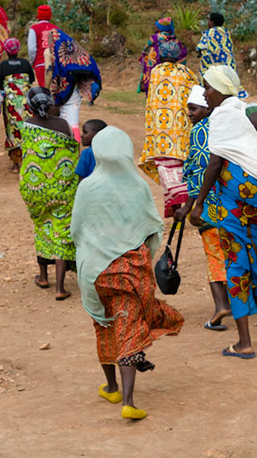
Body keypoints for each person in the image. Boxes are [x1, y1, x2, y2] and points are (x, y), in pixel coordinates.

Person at [71, 126, 184, 422]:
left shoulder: (87, 188)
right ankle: (129, 400)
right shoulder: (138, 186)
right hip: (130, 270)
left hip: (96, 271)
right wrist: (142, 254)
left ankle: (111, 387)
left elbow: (77, 230)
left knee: (104, 324)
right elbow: (152, 227)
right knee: (129, 327)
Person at [184, 65, 257, 359]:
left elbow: (214, 164)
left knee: (236, 270)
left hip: (236, 209)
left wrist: (198, 204)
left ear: (221, 89)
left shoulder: (223, 117)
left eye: (207, 87)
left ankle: (244, 342)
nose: (205, 93)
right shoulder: (249, 116)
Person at [16, 86, 80, 300]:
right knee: (61, 232)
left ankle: (43, 276)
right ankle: (60, 288)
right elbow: (72, 150)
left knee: (42, 226)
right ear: (51, 104)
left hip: (35, 187)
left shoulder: (26, 124)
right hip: (62, 187)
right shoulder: (62, 125)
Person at [177, 86, 232, 332]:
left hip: (210, 204)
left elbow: (200, 173)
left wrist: (191, 205)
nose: (189, 113)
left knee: (214, 256)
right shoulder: (224, 125)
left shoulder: (200, 131)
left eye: (194, 108)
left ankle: (221, 305)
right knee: (232, 251)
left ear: (207, 108)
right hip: (231, 203)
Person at [139, 40, 197, 211]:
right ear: (177, 56)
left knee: (165, 168)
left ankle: (173, 205)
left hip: (159, 131)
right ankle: (185, 204)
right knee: (181, 166)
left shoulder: (155, 72)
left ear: (161, 55)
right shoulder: (185, 72)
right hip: (179, 129)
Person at [0, 38, 36, 170]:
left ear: (6, 51)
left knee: (13, 131)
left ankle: (16, 164)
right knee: (27, 127)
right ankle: (29, 160)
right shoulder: (25, 64)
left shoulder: (3, 66)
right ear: (18, 50)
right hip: (26, 103)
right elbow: (32, 80)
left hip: (11, 104)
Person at [50, 28, 102, 134]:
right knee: (73, 126)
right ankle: (74, 149)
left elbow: (54, 76)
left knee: (61, 129)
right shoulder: (74, 54)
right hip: (74, 95)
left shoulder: (56, 57)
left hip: (63, 96)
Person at [196, 11, 245, 97]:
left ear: (213, 22)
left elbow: (200, 47)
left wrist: (200, 53)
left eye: (209, 21)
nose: (208, 23)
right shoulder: (226, 33)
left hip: (213, 65)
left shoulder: (208, 33)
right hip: (227, 64)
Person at [137, 15, 179, 93]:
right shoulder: (174, 38)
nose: (155, 29)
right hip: (169, 64)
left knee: (152, 80)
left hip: (154, 62)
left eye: (157, 27)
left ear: (161, 28)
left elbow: (145, 48)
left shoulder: (155, 37)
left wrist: (143, 57)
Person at [29, 5, 60, 89]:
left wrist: (32, 62)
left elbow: (32, 49)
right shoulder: (56, 29)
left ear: (38, 16)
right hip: (54, 64)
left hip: (40, 63)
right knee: (54, 89)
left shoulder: (34, 29)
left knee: (44, 90)